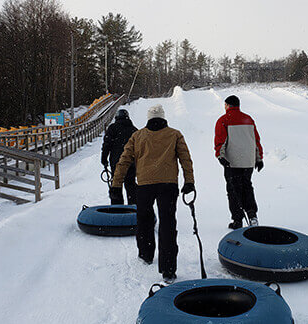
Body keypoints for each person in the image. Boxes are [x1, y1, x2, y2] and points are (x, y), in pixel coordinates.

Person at [112, 104, 195, 283]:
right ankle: (168, 268)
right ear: (164, 118)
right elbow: (185, 159)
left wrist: (116, 183)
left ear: (148, 118)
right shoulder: (175, 134)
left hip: (144, 185)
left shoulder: (137, 136)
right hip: (168, 184)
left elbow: (124, 160)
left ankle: (146, 253)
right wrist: (189, 182)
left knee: (144, 220)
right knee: (167, 223)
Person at [214, 94, 263, 229]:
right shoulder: (248, 119)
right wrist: (259, 159)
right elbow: (256, 140)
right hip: (248, 161)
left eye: (225, 105)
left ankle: (238, 220)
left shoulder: (223, 120)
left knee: (234, 190)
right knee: (247, 187)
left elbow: (220, 141)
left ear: (228, 105)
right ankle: (252, 215)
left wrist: (220, 156)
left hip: (232, 162)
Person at [101, 109, 137, 204]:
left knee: (116, 184)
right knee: (131, 184)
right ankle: (133, 208)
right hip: (131, 162)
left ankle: (117, 207)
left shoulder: (112, 128)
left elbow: (107, 144)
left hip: (116, 162)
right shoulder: (134, 130)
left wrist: (104, 159)